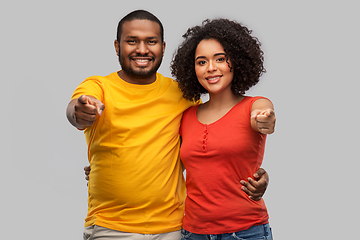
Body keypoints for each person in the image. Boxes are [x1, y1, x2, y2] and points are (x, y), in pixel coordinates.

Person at [67, 10, 271, 240]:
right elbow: (76, 109)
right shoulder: (98, 87)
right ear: (117, 46)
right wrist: (82, 112)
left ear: (163, 47)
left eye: (151, 42)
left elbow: (211, 148)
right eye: (132, 41)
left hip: (173, 228)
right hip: (110, 227)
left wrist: (254, 175)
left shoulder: (182, 96)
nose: (142, 49)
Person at [170, 18, 275, 239]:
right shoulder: (186, 117)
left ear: (236, 61)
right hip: (193, 233)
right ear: (192, 68)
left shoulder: (253, 106)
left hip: (246, 231)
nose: (211, 68)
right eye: (201, 62)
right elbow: (167, 167)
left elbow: (264, 115)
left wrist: (265, 119)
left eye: (220, 59)